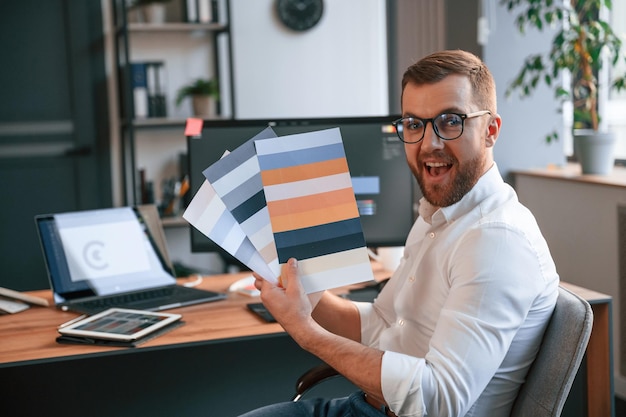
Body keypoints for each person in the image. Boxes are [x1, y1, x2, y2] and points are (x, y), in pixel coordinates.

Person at [239, 50, 559, 417]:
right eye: (413, 124)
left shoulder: (496, 240)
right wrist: (305, 297)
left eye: (450, 121)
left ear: (490, 131)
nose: (428, 144)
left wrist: (307, 333)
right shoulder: (438, 215)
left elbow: (438, 400)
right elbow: (384, 324)